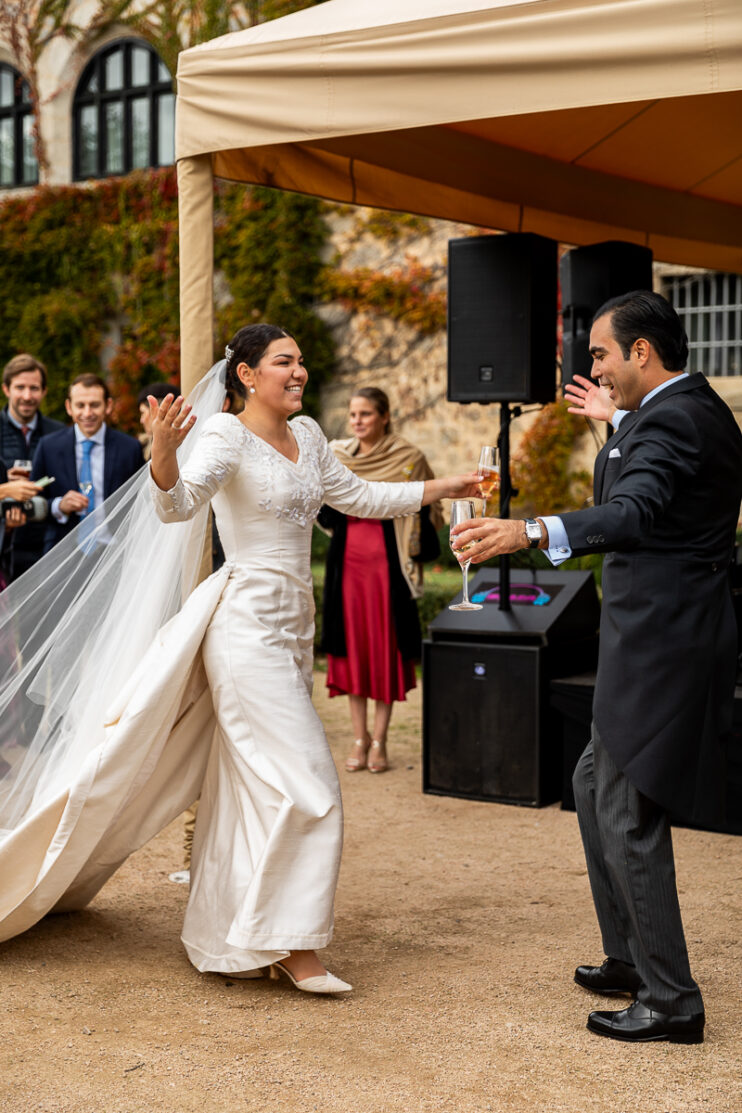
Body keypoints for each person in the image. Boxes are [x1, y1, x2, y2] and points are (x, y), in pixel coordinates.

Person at [0, 323, 480, 995]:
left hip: (293, 631)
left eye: (303, 360)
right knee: (311, 781)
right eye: (286, 361)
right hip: (245, 627)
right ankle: (293, 945)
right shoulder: (224, 434)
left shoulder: (311, 434)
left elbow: (361, 496)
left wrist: (446, 484)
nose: (300, 371)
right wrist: (164, 452)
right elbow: (176, 505)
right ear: (247, 375)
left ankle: (231, 931)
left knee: (248, 785)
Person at [452, 291, 742, 1045]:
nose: (595, 367)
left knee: (625, 804)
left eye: (602, 354)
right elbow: (654, 466)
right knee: (591, 782)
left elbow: (638, 511)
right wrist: (614, 420)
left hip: (662, 641)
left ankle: (673, 1000)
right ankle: (629, 955)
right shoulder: (679, 410)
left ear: (642, 352)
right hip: (656, 633)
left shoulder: (676, 419)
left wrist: (530, 528)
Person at [319, 387, 441, 774]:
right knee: (353, 652)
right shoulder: (335, 456)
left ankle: (381, 741)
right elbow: (321, 507)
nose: (357, 421)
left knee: (383, 651)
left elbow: (430, 509)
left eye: (366, 414)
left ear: (385, 417)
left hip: (389, 567)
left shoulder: (408, 458)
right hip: (347, 566)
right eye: (353, 414)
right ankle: (360, 739)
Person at [32, 373, 143, 553]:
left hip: (115, 551)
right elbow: (32, 498)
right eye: (80, 405)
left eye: (94, 405)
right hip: (61, 552)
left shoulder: (130, 448)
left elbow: (141, 500)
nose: (87, 413)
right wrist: (58, 505)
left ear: (108, 405)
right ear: (69, 407)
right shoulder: (48, 446)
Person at [0, 354, 64, 579]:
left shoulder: (59, 433)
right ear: (6, 389)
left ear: (44, 391)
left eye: (34, 388)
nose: (27, 396)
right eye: (20, 387)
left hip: (49, 546)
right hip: (4, 545)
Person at [138, 382, 176, 461]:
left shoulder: (174, 447)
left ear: (156, 410)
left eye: (143, 413)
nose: (141, 420)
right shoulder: (143, 445)